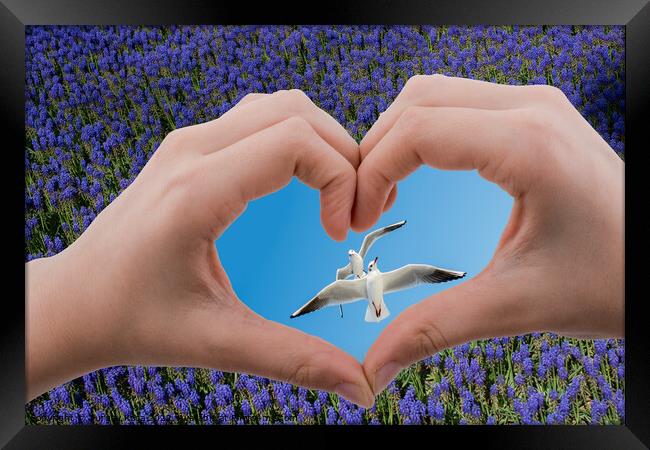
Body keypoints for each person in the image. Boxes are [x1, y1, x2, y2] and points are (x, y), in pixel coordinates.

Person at [26, 75, 624, 409]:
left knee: (413, 276)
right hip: (369, 297)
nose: (356, 261)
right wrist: (60, 309)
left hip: (378, 295)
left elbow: (392, 262)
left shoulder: (375, 273)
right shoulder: (351, 279)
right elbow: (342, 281)